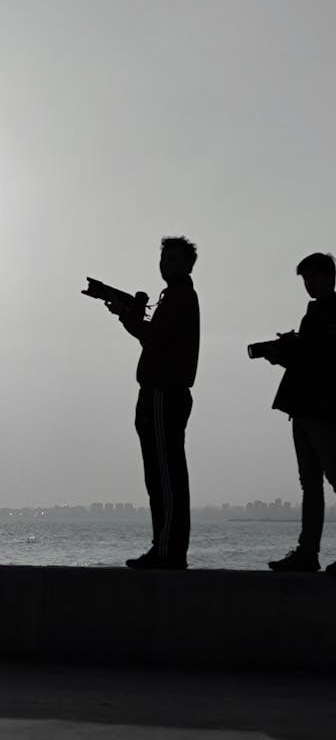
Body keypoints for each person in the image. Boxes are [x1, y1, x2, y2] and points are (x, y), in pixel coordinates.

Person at [261, 252, 336, 574]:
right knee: (311, 484)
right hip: (304, 407)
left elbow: (329, 362)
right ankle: (308, 553)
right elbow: (309, 360)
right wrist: (283, 354)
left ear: (330, 277)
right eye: (306, 278)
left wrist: (293, 352)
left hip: (324, 408)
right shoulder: (314, 315)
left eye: (314, 277)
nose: (309, 283)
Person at [114, 237, 199, 569]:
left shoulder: (180, 297)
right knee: (160, 474)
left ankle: (168, 550)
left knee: (166, 476)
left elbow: (155, 337)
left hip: (165, 393)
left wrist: (127, 318)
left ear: (188, 264)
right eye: (164, 259)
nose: (167, 265)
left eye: (174, 260)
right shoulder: (174, 297)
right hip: (158, 393)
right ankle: (163, 547)